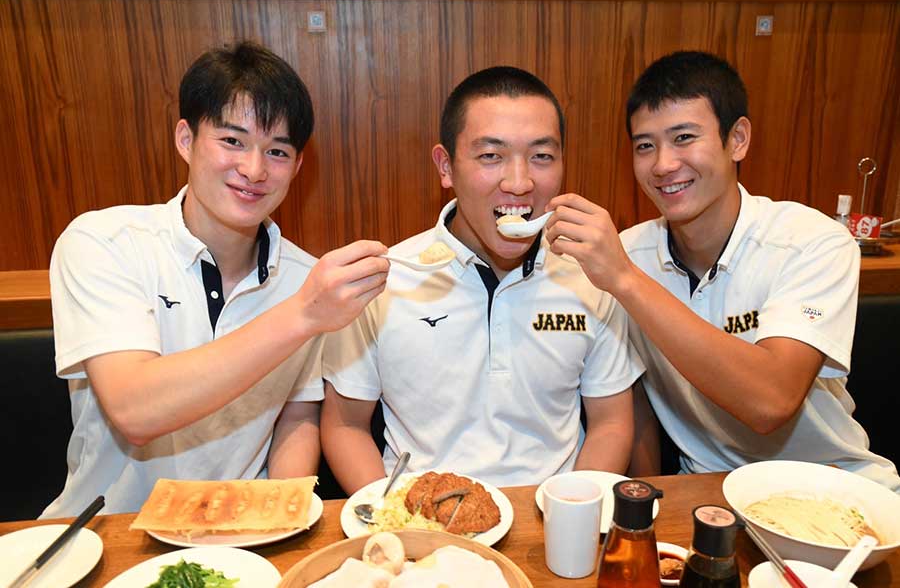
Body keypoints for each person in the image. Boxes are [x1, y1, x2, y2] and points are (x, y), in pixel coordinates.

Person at [42, 41, 390, 517]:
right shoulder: (104, 242)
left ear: (298, 166)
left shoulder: (304, 279)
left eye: (278, 151)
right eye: (232, 141)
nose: (254, 169)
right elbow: (135, 411)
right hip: (107, 532)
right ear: (186, 139)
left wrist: (278, 517)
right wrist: (303, 315)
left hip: (242, 536)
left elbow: (297, 416)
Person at [545, 50, 900, 492]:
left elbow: (771, 401)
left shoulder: (811, 241)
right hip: (706, 492)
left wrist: (625, 280)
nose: (663, 164)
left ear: (738, 140)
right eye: (645, 146)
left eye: (684, 137)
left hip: (833, 483)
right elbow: (634, 403)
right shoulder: (629, 252)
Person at [321, 66, 644, 494]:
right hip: (419, 522)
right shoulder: (387, 277)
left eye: (541, 156)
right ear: (446, 166)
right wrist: (391, 517)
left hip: (551, 517)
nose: (519, 182)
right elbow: (345, 424)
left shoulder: (592, 275)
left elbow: (612, 422)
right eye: (491, 156)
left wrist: (573, 508)